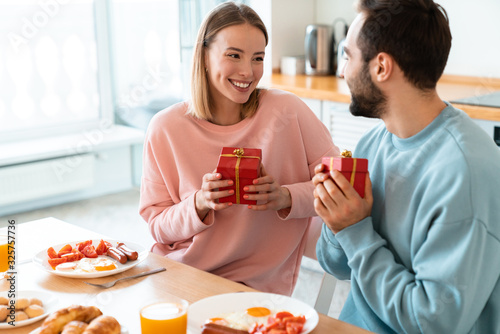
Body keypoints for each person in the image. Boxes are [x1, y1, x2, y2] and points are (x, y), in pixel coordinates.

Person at [313, 0, 500, 333]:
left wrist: (356, 229)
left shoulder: (465, 173)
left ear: (381, 67)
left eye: (347, 56)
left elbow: (432, 324)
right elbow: (337, 265)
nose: (342, 71)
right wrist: (335, 216)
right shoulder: (372, 144)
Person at [139, 2, 339, 295]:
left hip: (258, 291)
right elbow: (158, 227)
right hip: (183, 278)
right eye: (234, 55)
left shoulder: (287, 111)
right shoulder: (165, 128)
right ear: (204, 56)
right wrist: (199, 203)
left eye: (258, 58)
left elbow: (341, 186)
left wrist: (285, 197)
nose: (248, 72)